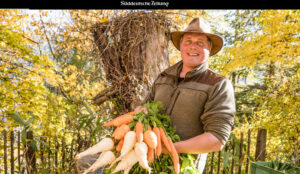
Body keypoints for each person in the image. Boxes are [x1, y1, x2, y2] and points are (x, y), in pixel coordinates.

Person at [138, 17, 236, 173]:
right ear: (181, 46)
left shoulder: (218, 84)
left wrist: (170, 148)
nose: (193, 47)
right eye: (188, 41)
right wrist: (140, 114)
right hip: (145, 159)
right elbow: (144, 106)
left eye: (200, 43)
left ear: (209, 49)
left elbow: (217, 138)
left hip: (183, 167)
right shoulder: (164, 76)